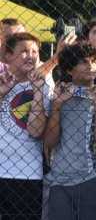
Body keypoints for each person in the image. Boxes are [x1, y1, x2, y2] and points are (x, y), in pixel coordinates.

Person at [46, 43, 96, 220]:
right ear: (69, 70)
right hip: (60, 179)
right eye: (84, 62)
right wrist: (56, 107)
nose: (91, 66)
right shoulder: (57, 98)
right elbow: (49, 142)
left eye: (94, 61)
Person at [0, 32, 49, 220]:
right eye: (24, 51)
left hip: (27, 174)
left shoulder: (43, 86)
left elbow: (36, 132)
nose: (31, 56)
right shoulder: (1, 80)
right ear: (8, 56)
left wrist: (37, 93)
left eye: (35, 51)